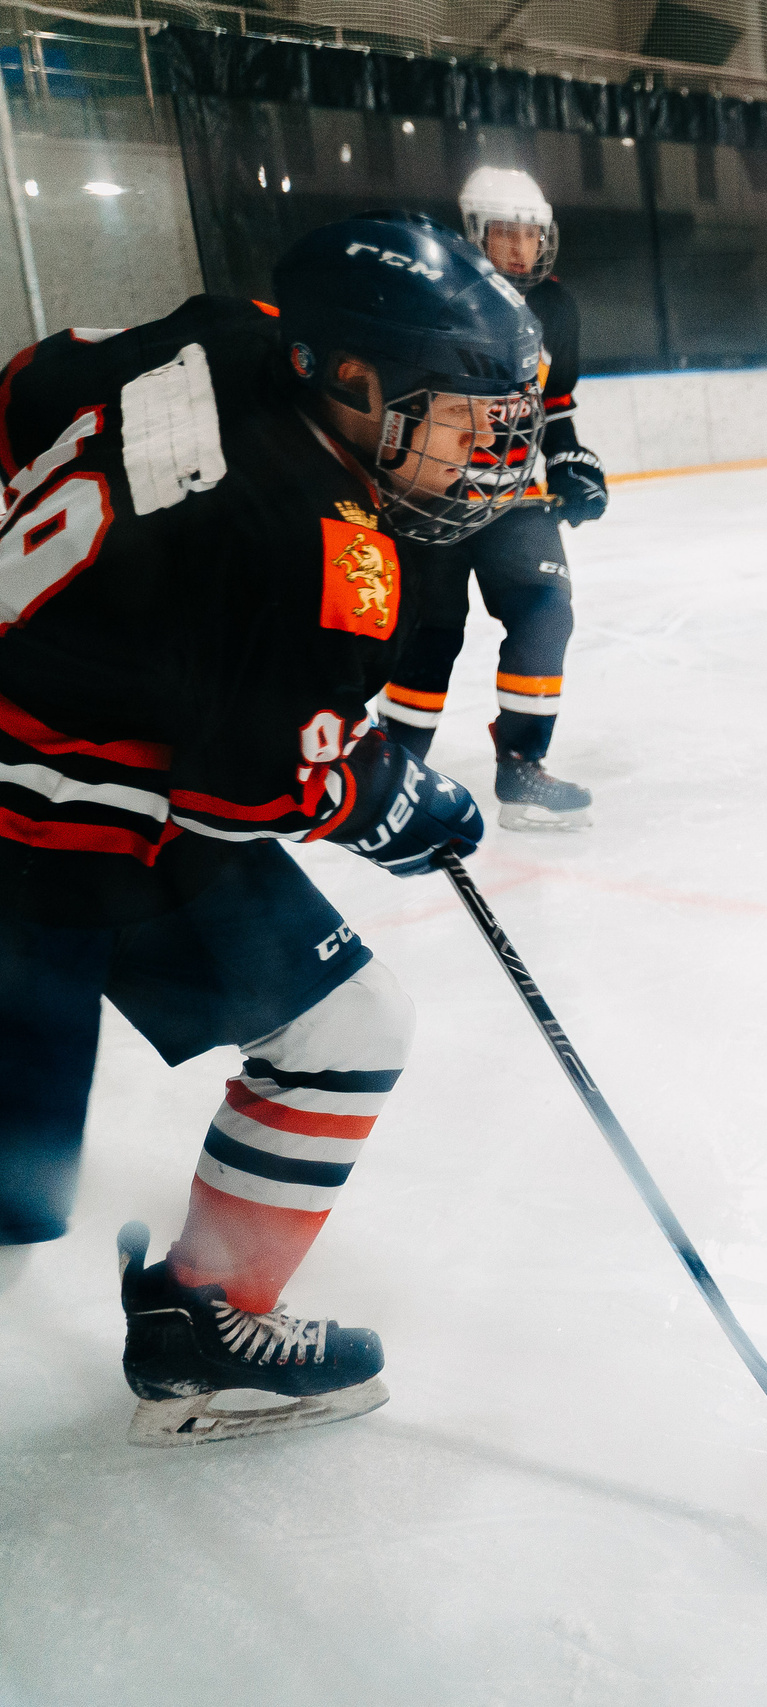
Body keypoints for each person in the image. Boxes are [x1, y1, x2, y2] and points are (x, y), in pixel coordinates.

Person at [0, 211, 541, 1444]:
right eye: (456, 418)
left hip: (99, 788)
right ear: (348, 379)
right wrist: (390, 797)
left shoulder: (228, 333)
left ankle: (206, 1325)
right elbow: (243, 792)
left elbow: (29, 381)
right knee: (4, 1211)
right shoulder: (334, 552)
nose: (483, 454)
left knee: (349, 1019)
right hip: (49, 845)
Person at [380, 167, 607, 830]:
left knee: (546, 610)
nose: (522, 247)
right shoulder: (434, 296)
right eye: (507, 231)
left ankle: (521, 766)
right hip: (431, 494)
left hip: (513, 496)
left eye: (532, 234)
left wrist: (570, 461)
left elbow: (554, 407)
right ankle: (395, 768)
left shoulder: (556, 308)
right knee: (432, 630)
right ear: (476, 232)